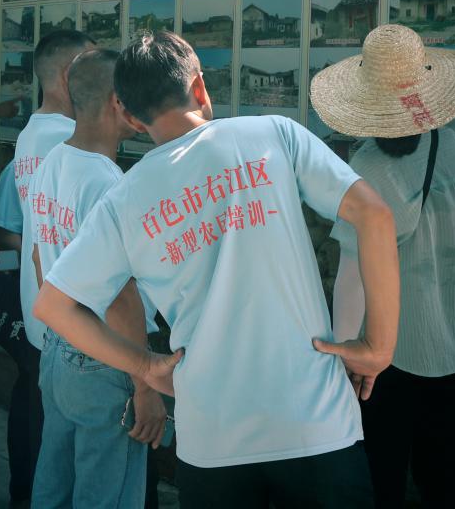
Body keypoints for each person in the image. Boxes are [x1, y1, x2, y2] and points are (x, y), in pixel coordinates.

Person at [34, 31, 399, 508]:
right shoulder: (273, 134)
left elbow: (53, 305)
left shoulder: (123, 198)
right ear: (200, 88)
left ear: (130, 115)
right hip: (316, 421)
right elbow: (375, 215)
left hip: (210, 436)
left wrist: (145, 366)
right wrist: (377, 347)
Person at [311, 23, 455, 508]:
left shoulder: (368, 169)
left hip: (389, 354)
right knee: (444, 476)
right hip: (454, 341)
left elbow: (352, 279)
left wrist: (345, 356)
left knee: (381, 477)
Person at [27, 49, 165, 507]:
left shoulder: (52, 162)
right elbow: (120, 296)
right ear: (117, 101)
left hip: (59, 347)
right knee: (105, 493)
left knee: (55, 483)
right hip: (106, 356)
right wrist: (144, 384)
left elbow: (39, 257)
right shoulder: (108, 183)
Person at [8, 29, 95, 502]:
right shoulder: (66, 140)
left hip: (42, 308)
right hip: (69, 319)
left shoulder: (32, 134)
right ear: (69, 75)